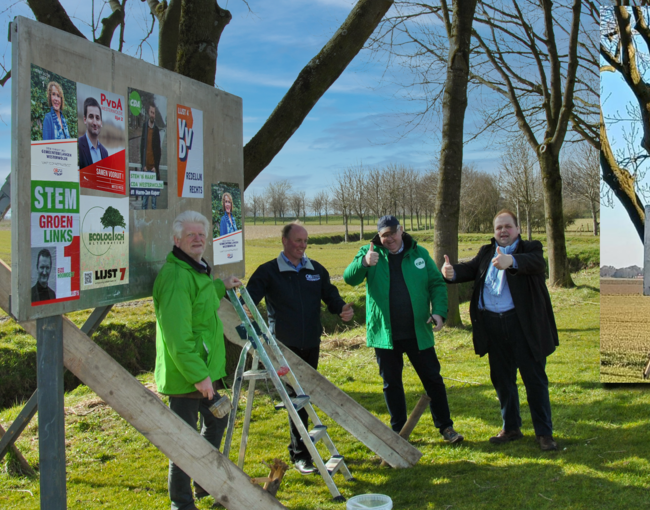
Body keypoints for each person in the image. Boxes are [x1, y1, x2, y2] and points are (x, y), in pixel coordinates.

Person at [440, 210, 559, 451]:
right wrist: (451, 273)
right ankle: (511, 428)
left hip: (523, 327)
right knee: (503, 380)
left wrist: (511, 262)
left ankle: (544, 433)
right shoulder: (486, 252)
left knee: (534, 380)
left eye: (507, 226)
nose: (503, 231)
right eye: (498, 228)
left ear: (517, 229)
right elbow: (471, 269)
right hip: (493, 327)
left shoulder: (530, 248)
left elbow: (537, 263)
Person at [343, 215, 463, 444]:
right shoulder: (369, 252)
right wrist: (364, 262)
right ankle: (399, 433)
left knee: (433, 380)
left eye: (392, 233)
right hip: (385, 334)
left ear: (401, 230)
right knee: (392, 384)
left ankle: (447, 428)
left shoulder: (419, 253)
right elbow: (350, 279)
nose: (389, 239)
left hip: (418, 331)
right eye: (383, 235)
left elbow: (436, 284)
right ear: (378, 237)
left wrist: (439, 311)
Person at [246, 223, 355, 474]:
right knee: (296, 400)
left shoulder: (315, 270)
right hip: (284, 347)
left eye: (305, 241)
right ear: (284, 241)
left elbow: (330, 296)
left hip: (311, 344)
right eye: (297, 241)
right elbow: (248, 301)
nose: (302, 246)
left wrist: (341, 309)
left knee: (304, 399)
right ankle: (300, 455)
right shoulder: (268, 272)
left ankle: (303, 450)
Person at [153, 210, 242, 510]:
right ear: (177, 239)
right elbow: (177, 336)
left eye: (201, 235)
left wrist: (221, 286)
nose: (198, 239)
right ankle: (182, 503)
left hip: (202, 369)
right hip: (186, 376)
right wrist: (198, 376)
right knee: (184, 442)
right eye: (191, 235)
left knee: (218, 419)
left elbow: (202, 300)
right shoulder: (176, 276)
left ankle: (204, 481)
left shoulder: (196, 270)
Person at [140, 103, 162, 210]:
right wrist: (143, 165)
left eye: (154, 113)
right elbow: (141, 147)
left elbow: (158, 151)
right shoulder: (144, 127)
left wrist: (155, 167)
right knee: (144, 201)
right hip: (145, 170)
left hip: (153, 171)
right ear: (148, 112)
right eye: (151, 112)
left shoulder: (156, 130)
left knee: (153, 203)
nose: (152, 115)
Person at [77, 97, 108, 169]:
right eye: (91, 117)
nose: (95, 122)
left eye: (97, 118)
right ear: (85, 120)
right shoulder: (78, 146)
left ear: (101, 122)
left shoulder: (105, 153)